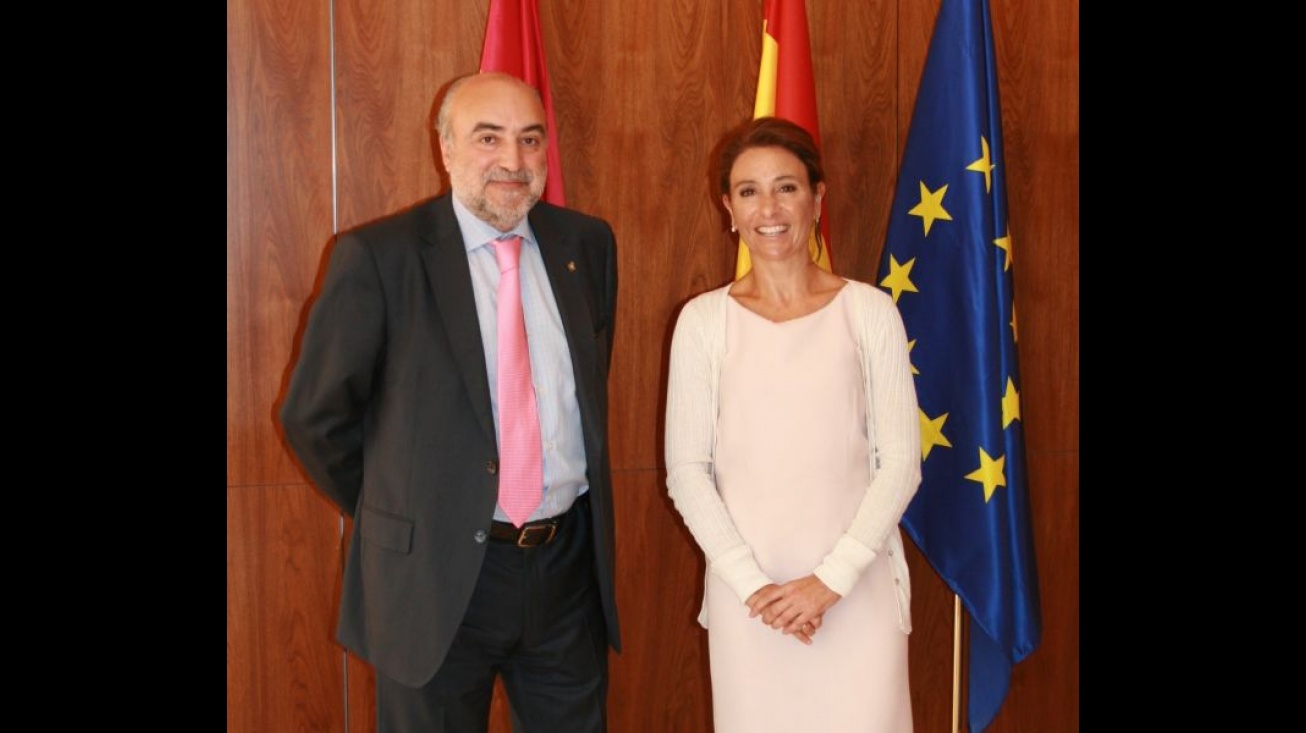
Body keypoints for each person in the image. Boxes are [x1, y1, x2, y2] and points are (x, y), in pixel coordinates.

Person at [280, 71, 620, 733]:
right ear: (446, 149)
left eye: (530, 140)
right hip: (433, 580)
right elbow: (314, 417)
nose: (513, 162)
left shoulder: (587, 246)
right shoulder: (379, 257)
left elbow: (583, 390)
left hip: (565, 573)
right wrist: (409, 508)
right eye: (488, 138)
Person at [664, 116, 921, 732]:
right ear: (728, 206)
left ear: (817, 197)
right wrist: (757, 588)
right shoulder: (703, 322)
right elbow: (687, 473)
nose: (769, 208)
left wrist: (829, 583)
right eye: (749, 191)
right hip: (750, 600)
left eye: (786, 186)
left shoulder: (869, 311)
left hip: (855, 594)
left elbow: (901, 465)